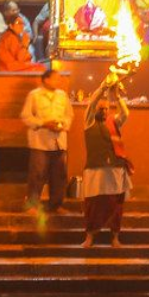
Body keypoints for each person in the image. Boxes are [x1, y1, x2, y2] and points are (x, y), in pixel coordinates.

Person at [81, 78, 132, 248]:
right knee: (93, 205)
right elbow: (92, 103)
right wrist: (103, 87)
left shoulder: (113, 122)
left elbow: (125, 114)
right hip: (95, 170)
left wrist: (117, 97)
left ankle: (115, 237)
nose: (103, 111)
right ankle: (89, 237)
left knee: (115, 205)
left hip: (115, 169)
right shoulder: (89, 122)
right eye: (100, 108)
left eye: (106, 108)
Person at [20, 68, 73, 214]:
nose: (58, 81)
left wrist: (62, 125)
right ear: (46, 79)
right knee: (37, 174)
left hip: (59, 141)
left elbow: (69, 115)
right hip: (40, 142)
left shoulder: (62, 96)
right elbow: (26, 116)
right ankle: (32, 205)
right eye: (56, 78)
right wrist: (43, 123)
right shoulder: (35, 95)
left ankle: (56, 205)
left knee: (59, 175)